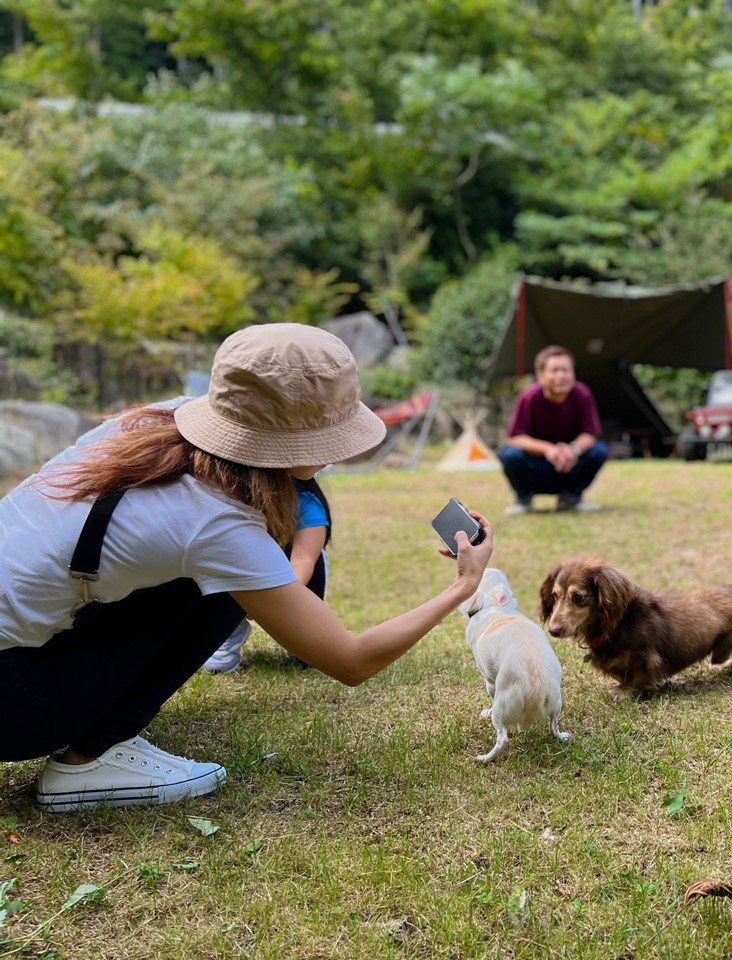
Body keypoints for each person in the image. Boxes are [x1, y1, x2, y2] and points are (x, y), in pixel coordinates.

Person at [0, 324, 494, 812]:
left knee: (226, 578)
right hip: (10, 696)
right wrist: (463, 586)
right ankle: (90, 758)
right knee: (226, 589)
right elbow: (351, 660)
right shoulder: (214, 520)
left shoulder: (160, 421)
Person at [203, 475, 331, 672]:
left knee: (317, 658)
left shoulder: (305, 502)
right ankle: (227, 632)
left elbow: (303, 559)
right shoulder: (229, 494)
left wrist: (273, 601)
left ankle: (308, 629)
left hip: (291, 578)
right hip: (238, 574)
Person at [498, 345, 608, 516]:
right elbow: (514, 437)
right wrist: (548, 449)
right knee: (510, 455)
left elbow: (590, 433)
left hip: (570, 463)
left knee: (599, 451)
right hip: (537, 465)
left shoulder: (582, 394)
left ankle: (571, 498)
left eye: (566, 370)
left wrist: (573, 450)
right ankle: (524, 499)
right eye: (554, 370)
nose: (561, 376)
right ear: (540, 376)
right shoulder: (528, 397)